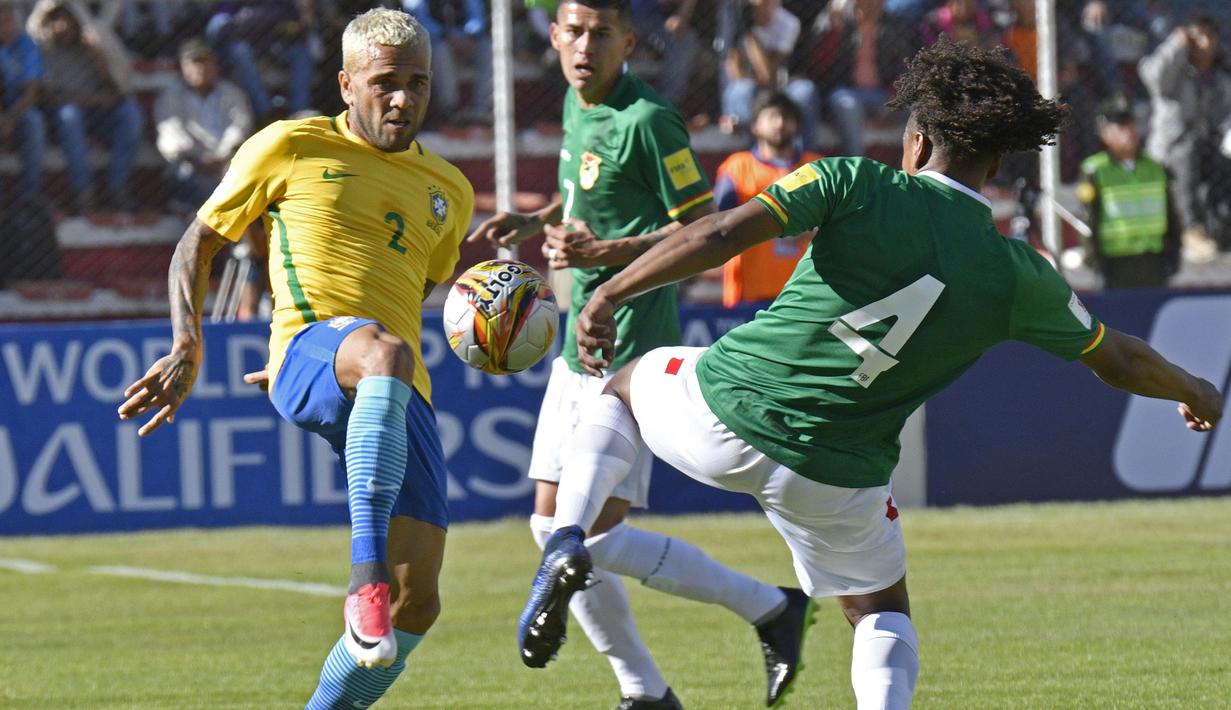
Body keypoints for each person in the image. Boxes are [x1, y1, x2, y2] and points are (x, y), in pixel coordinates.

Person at [520, 38, 1223, 709]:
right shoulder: (1018, 274)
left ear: (915, 141)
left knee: (623, 383)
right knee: (880, 611)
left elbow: (718, 233)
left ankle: (564, 538)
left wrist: (610, 291)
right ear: (996, 165)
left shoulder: (851, 179)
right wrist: (1192, 390)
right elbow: (1119, 358)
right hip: (836, 477)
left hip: (721, 412)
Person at [117, 9, 475, 709]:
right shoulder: (289, 146)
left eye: (417, 83)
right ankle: (360, 578)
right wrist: (190, 343)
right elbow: (199, 242)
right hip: (320, 347)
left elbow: (413, 290)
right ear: (346, 84)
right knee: (385, 351)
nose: (402, 99)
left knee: (419, 604)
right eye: (384, 83)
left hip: (384, 380)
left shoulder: (450, 191)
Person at [468, 2, 812, 708]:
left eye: (601, 33)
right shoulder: (575, 102)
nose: (584, 45)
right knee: (554, 527)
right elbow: (589, 199)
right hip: (575, 338)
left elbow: (699, 228)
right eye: (573, 31)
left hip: (631, 347)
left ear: (630, 40)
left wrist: (605, 253)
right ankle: (736, 629)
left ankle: (706, 650)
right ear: (555, 36)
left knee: (580, 533)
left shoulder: (648, 120)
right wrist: (540, 221)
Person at [28, 0, 143, 213]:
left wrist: (98, 56)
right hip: (62, 119)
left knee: (130, 115)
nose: (62, 25)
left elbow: (119, 92)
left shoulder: (96, 43)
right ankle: (84, 192)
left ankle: (117, 189)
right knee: (70, 115)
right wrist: (96, 99)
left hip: (98, 115)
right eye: (56, 19)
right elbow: (53, 98)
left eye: (68, 18)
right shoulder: (43, 49)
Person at [712, 92, 821, 306]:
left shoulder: (816, 167)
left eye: (786, 117)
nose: (780, 124)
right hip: (749, 294)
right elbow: (717, 222)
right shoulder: (737, 167)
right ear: (755, 126)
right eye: (772, 116)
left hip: (805, 295)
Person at [1139, 14, 1231, 263]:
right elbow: (1156, 78)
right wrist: (1176, 44)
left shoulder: (1222, 72)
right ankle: (1191, 230)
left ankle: (1223, 232)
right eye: (1197, 36)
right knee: (1186, 152)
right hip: (1172, 149)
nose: (1204, 43)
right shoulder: (1174, 70)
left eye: (1209, 36)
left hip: (1212, 146)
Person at [1077, 93, 1179, 288]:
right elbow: (1089, 218)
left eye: (1131, 125)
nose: (1129, 132)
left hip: (1153, 261)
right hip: (1115, 263)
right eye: (1120, 127)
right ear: (1104, 132)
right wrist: (1094, 260)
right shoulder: (1095, 171)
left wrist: (1174, 255)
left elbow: (1172, 215)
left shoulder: (1155, 168)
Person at [155, 37, 254, 209]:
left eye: (205, 61)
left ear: (215, 65)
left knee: (243, 176)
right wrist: (197, 159)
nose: (201, 68)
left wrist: (222, 156)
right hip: (190, 163)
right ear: (183, 67)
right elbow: (171, 132)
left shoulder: (231, 92)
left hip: (227, 160)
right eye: (195, 62)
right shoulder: (171, 96)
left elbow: (240, 124)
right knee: (186, 177)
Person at [808, 0, 913, 158]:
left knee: (914, 107)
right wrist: (835, 26)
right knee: (845, 103)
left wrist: (892, 103)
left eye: (874, 3)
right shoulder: (839, 23)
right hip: (848, 92)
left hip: (883, 94)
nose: (867, 6)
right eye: (861, 2)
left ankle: (910, 165)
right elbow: (820, 65)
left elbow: (904, 69)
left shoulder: (894, 25)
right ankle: (856, 162)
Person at [720, 0, 820, 152]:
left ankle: (804, 159)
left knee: (805, 90)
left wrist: (752, 40)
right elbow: (734, 71)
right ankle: (754, 155)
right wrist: (748, 32)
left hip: (783, 87)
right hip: (753, 89)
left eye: (769, 3)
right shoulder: (738, 19)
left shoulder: (789, 23)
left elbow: (769, 74)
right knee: (742, 91)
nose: (764, 8)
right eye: (757, 5)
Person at [405, 0, 494, 125]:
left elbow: (477, 17)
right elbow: (420, 21)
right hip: (438, 41)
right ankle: (451, 109)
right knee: (441, 51)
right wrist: (447, 36)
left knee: (487, 49)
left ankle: (482, 110)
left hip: (467, 40)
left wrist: (470, 36)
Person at [0, 5, 47, 206]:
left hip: (17, 107)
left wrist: (9, 117)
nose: (6, 28)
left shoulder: (25, 44)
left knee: (34, 121)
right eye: (1, 23)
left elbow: (32, 92)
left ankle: (30, 198)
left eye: (9, 21)